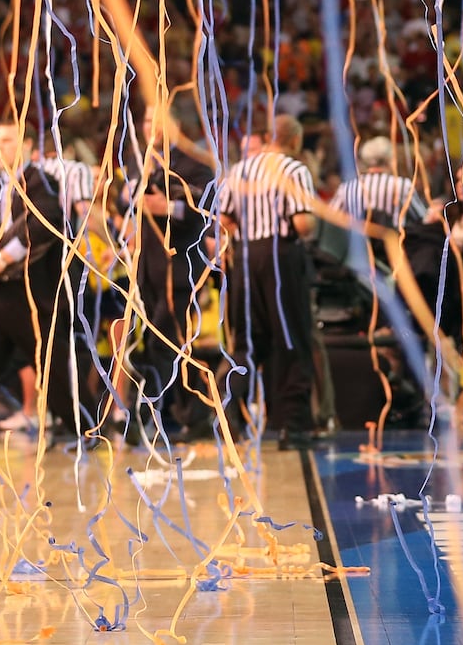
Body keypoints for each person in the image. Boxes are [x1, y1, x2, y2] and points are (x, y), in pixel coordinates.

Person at [0, 121, 91, 452]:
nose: (1, 148)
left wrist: (2, 257)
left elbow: (44, 225)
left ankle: (84, 428)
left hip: (32, 293)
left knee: (51, 365)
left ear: (25, 144)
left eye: (8, 140)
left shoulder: (42, 182)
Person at [214, 115, 328, 450]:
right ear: (295, 140)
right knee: (292, 341)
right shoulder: (293, 170)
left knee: (249, 344)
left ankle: (228, 416)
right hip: (280, 255)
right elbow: (303, 224)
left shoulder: (241, 170)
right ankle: (292, 428)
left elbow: (224, 220)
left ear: (267, 137)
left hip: (246, 257)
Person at [120, 104, 217, 442]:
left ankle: (140, 417)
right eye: (146, 120)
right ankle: (198, 414)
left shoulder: (196, 161)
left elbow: (204, 207)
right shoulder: (137, 159)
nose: (150, 126)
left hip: (180, 267)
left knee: (163, 341)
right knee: (169, 345)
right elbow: (126, 202)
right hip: (146, 267)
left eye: (156, 120)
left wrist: (170, 207)